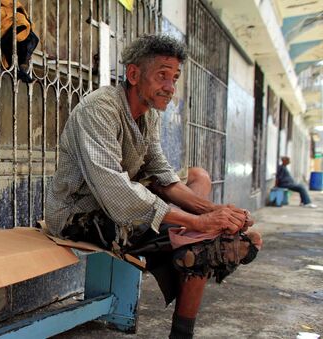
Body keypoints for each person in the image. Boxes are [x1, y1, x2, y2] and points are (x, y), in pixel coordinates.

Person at [45, 34, 263, 339]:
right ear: (134, 74)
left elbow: (162, 176)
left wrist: (219, 212)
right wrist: (197, 221)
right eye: (162, 75)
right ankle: (199, 257)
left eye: (175, 78)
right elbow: (112, 188)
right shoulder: (99, 109)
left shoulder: (148, 117)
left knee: (201, 214)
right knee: (199, 244)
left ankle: (205, 242)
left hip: (117, 208)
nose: (170, 87)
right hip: (77, 214)